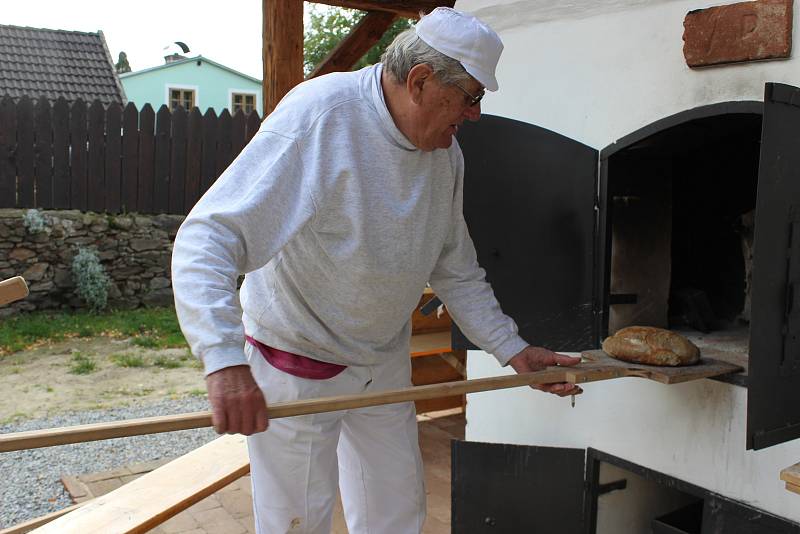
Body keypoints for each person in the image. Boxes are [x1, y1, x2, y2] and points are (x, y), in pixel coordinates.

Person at [171, 7, 582, 534]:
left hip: (380, 361)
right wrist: (224, 361)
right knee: (295, 524)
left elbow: (455, 268)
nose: (475, 115)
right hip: (295, 359)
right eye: (472, 97)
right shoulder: (321, 118)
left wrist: (512, 349)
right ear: (420, 80)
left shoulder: (445, 155)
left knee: (396, 514)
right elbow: (209, 237)